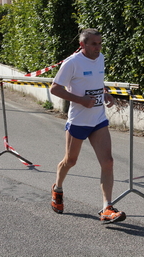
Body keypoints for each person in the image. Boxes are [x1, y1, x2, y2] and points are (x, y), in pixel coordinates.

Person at [49, 28, 126, 224]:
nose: (98, 48)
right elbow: (55, 88)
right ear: (82, 45)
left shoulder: (100, 58)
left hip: (98, 119)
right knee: (70, 161)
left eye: (100, 43)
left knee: (108, 162)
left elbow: (96, 81)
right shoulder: (72, 63)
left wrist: (105, 93)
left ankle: (107, 208)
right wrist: (81, 100)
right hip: (79, 121)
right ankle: (57, 188)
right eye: (93, 44)